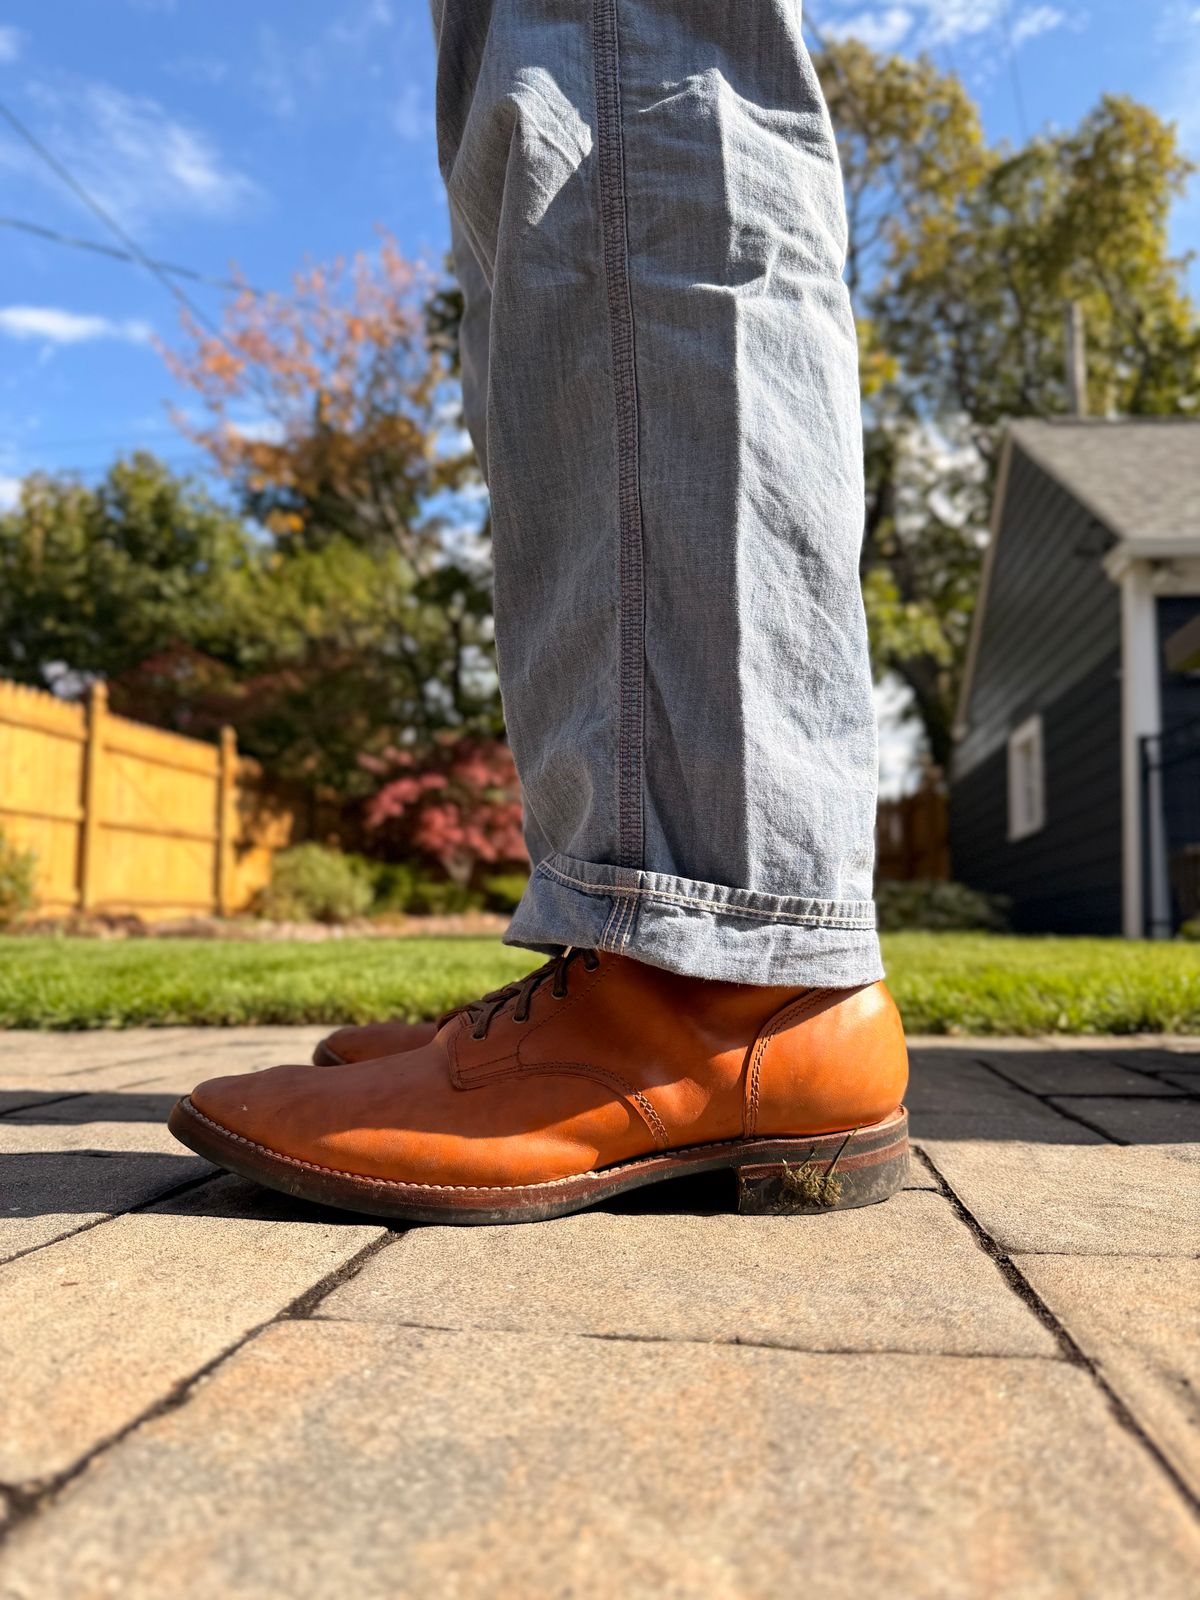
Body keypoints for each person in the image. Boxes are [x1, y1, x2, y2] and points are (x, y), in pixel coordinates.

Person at [169, 0, 909, 1223]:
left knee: (622, 74)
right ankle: (672, 951)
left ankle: (710, 973)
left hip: (727, 979)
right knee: (539, 168)